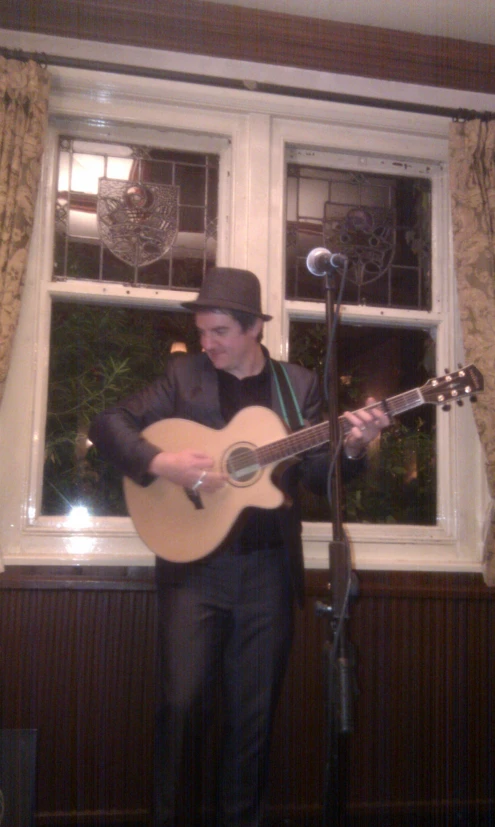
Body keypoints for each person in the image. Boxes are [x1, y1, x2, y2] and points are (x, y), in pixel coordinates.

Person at [88, 267, 388, 827]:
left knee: (253, 720)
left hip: (268, 574)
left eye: (219, 331)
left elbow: (323, 477)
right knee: (180, 709)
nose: (208, 344)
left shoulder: (297, 387)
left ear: (253, 328)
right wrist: (161, 462)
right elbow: (108, 422)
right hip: (192, 568)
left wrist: (353, 448)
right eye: (203, 332)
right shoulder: (183, 377)